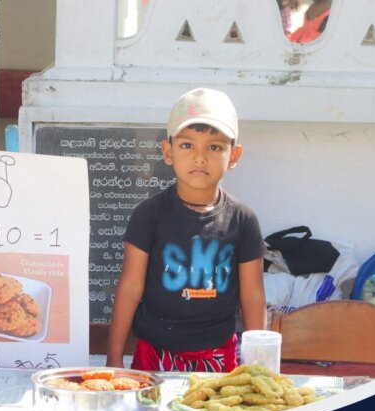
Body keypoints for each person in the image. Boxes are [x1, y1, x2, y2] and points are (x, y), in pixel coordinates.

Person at [106, 88, 267, 372]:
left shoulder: (243, 219)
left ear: (234, 155)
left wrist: (257, 368)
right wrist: (114, 359)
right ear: (168, 152)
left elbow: (252, 296)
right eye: (187, 145)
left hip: (219, 357)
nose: (200, 157)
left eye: (214, 147)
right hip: (155, 356)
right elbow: (130, 287)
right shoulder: (149, 215)